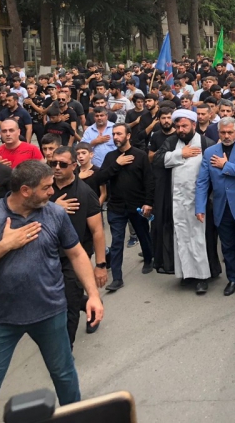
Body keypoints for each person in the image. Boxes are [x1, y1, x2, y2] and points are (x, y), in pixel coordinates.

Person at [0, 161, 104, 423]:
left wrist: (93, 295)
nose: (51, 193)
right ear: (25, 190)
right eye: (46, 188)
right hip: (2, 319)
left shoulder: (54, 214)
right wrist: (3, 246)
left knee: (64, 375)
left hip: (50, 313)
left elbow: (77, 253)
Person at [48, 147, 108, 344]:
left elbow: (97, 231)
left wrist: (100, 265)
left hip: (75, 257)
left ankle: (66, 351)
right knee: (52, 297)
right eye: (53, 163)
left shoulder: (84, 193)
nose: (57, 168)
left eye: (62, 164)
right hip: (47, 255)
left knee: (69, 305)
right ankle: (88, 304)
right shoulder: (44, 189)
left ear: (74, 166)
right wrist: (53, 207)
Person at [195, 117, 235, 297]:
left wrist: (225, 165)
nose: (227, 135)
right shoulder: (210, 152)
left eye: (230, 132)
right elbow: (202, 182)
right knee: (227, 246)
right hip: (221, 207)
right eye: (223, 132)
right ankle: (233, 279)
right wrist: (200, 207)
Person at [152, 109, 212, 291]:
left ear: (194, 125)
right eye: (177, 126)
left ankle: (202, 277)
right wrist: (180, 154)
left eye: (184, 125)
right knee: (181, 236)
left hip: (198, 200)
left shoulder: (205, 142)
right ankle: (187, 273)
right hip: (176, 200)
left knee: (198, 238)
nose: (181, 129)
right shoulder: (171, 142)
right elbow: (157, 160)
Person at [97, 124, 155, 291]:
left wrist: (148, 202)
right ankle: (117, 277)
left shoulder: (140, 155)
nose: (116, 137)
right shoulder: (110, 157)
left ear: (128, 136)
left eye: (119, 134)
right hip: (116, 207)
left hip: (137, 206)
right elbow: (100, 177)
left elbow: (149, 181)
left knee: (143, 234)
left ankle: (149, 258)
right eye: (114, 134)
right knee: (116, 242)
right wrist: (116, 164)